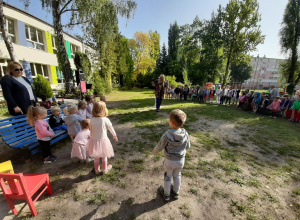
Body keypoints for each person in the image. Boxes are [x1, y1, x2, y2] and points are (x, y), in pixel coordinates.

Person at [152, 109, 190, 201]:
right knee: (177, 175)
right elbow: (188, 146)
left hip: (169, 161)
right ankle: (176, 193)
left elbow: (160, 146)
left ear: (172, 123)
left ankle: (166, 194)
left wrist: (154, 152)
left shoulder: (167, 135)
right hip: (181, 160)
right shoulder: (185, 133)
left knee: (168, 177)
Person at [88, 101, 118, 174]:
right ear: (104, 109)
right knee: (104, 155)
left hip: (94, 140)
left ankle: (96, 170)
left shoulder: (92, 120)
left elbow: (91, 130)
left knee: (96, 156)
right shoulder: (105, 119)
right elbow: (111, 128)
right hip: (103, 140)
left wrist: (90, 137)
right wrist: (115, 135)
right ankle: (104, 170)